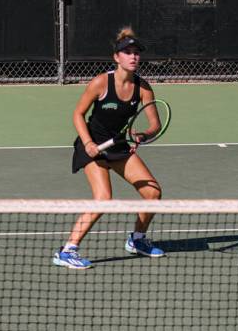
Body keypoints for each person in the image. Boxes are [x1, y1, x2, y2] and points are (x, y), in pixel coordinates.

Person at [52, 27, 165, 269]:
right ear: (117, 57)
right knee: (103, 198)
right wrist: (89, 143)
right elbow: (78, 114)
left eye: (136, 53)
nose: (133, 57)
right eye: (128, 52)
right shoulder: (101, 83)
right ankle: (67, 250)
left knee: (153, 193)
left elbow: (155, 124)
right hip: (92, 145)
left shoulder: (143, 88)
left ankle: (137, 240)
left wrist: (143, 134)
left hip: (119, 146)